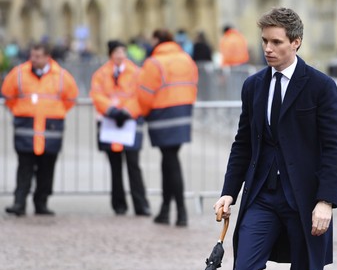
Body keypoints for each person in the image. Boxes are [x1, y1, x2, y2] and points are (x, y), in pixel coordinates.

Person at [213, 7, 337, 270]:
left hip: (305, 203)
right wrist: (228, 191)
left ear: (295, 43)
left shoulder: (320, 86)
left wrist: (326, 201)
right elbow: (243, 143)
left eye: (275, 42)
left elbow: (333, 149)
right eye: (265, 42)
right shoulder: (253, 86)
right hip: (262, 197)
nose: (267, 49)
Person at [2, 43, 78, 216]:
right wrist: (21, 111)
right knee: (24, 168)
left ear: (47, 57)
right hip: (26, 128)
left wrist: (54, 111)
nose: (33, 59)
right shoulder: (19, 74)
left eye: (37, 56)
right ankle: (19, 203)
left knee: (46, 169)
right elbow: (8, 96)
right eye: (32, 55)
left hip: (51, 129)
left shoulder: (61, 76)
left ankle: (41, 203)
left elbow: (70, 98)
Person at [137, 29, 198, 227]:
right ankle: (165, 209)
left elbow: (145, 93)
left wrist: (144, 113)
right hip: (183, 112)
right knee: (169, 160)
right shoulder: (186, 58)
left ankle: (180, 211)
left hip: (162, 114)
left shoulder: (153, 62)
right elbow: (194, 82)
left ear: (156, 40)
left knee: (171, 161)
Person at [90, 40, 150, 216]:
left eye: (122, 52)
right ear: (110, 54)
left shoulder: (136, 73)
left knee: (133, 165)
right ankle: (119, 204)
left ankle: (141, 204)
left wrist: (127, 111)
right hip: (110, 122)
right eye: (117, 52)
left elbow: (140, 94)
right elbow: (97, 94)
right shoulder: (101, 74)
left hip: (130, 122)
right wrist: (111, 110)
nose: (120, 56)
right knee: (115, 166)